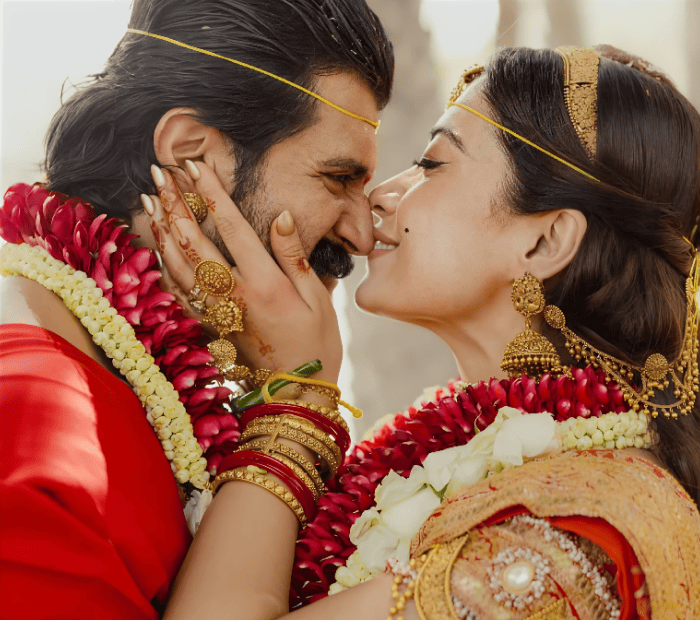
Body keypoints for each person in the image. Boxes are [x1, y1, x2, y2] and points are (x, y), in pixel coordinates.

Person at [126, 45, 697, 618]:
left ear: (544, 242)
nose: (378, 196)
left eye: (432, 164)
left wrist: (296, 400)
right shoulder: (469, 455)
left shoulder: (562, 552)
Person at [0, 0, 393, 617]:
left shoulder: (143, 375)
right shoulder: (39, 414)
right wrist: (299, 400)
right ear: (190, 157)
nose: (362, 233)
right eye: (338, 178)